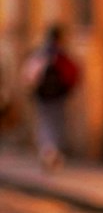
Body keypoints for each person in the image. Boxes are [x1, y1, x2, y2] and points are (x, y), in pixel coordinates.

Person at [22, 24, 80, 170]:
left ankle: (48, 152)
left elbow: (29, 76)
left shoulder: (41, 54)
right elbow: (72, 72)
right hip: (58, 95)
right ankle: (53, 152)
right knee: (57, 123)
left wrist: (32, 89)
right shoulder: (61, 54)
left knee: (45, 122)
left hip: (43, 95)